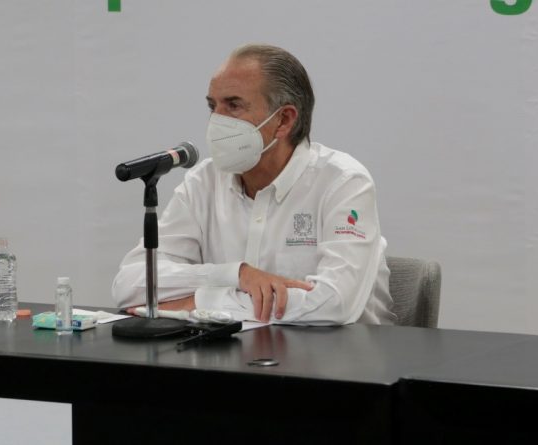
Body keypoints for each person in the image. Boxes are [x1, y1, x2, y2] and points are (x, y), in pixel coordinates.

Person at [112, 44, 395, 325]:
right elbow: (129, 284)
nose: (216, 120)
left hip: (343, 351)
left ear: (283, 120)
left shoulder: (343, 182)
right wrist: (236, 275)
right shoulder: (203, 181)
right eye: (212, 106)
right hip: (236, 350)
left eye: (233, 105)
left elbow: (335, 304)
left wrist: (201, 302)